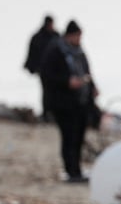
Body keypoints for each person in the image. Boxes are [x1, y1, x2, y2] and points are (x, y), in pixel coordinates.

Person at [40, 20, 98, 183]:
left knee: (79, 136)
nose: (80, 39)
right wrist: (67, 81)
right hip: (62, 103)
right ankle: (70, 170)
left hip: (81, 101)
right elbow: (47, 75)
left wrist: (93, 87)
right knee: (68, 137)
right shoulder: (56, 51)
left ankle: (77, 169)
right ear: (70, 35)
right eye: (78, 36)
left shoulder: (79, 52)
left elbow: (87, 71)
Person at [23, 15, 58, 122]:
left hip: (55, 70)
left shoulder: (55, 36)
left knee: (54, 92)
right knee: (47, 92)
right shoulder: (39, 37)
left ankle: (52, 114)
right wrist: (32, 67)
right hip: (43, 71)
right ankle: (47, 114)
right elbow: (32, 53)